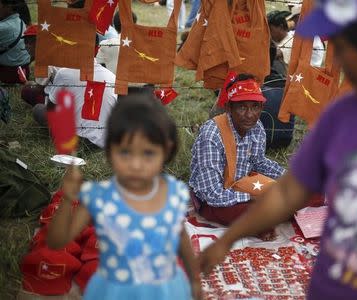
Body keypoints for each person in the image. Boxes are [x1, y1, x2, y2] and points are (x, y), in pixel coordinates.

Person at [200, 1, 357, 300]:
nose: (341, 64)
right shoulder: (344, 112)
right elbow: (287, 191)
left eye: (346, 49)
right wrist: (227, 240)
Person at [47, 90, 201, 299]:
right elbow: (57, 242)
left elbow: (180, 235)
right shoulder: (100, 197)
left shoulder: (172, 192)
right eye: (125, 152)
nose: (136, 165)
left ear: (166, 150)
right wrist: (66, 199)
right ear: (110, 150)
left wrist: (193, 279)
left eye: (148, 153)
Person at [189, 73, 285, 227]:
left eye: (255, 107)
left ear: (262, 107)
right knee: (262, 210)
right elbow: (212, 194)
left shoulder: (257, 127)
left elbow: (259, 162)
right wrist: (251, 198)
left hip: (242, 183)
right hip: (213, 200)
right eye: (242, 107)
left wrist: (289, 177)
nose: (249, 115)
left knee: (296, 194)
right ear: (228, 107)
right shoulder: (211, 135)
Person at [32, 51, 118, 148]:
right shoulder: (113, 77)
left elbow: (51, 111)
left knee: (38, 109)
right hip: (103, 142)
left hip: (76, 140)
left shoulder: (65, 73)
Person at [0, 0, 30, 83]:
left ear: (8, 7)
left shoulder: (3, 27)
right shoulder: (20, 21)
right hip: (24, 70)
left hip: (9, 74)